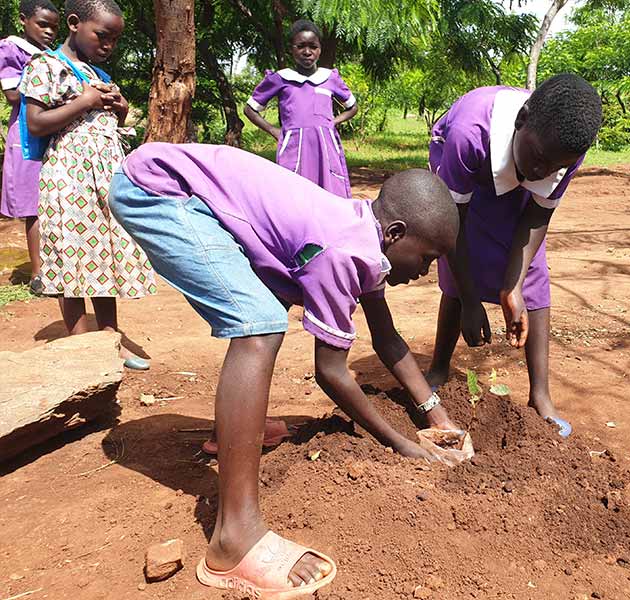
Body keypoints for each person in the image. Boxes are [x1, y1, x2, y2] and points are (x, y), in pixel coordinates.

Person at [109, 142, 461, 596]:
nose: (426, 271)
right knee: (260, 324)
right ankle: (234, 538)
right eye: (428, 258)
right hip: (159, 191)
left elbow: (386, 337)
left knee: (266, 306)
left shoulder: (364, 233)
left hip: (184, 187)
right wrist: (400, 443)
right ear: (395, 233)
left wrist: (435, 414)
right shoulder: (343, 251)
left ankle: (233, 433)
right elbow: (330, 371)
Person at [424, 74, 602, 438]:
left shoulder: (563, 149)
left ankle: (541, 396)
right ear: (522, 120)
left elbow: (538, 215)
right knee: (463, 257)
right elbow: (453, 225)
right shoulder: (469, 133)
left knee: (533, 272)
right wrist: (470, 301)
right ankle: (439, 369)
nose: (541, 172)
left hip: (512, 161)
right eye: (539, 159)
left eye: (554, 167)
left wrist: (513, 286)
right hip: (466, 174)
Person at [19, 0, 156, 369]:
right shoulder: (44, 66)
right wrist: (86, 100)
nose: (108, 45)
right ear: (74, 23)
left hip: (104, 174)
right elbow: (36, 123)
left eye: (115, 40)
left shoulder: (97, 73)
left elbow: (111, 125)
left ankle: (111, 340)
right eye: (102, 36)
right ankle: (81, 345)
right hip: (69, 176)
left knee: (102, 255)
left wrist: (120, 108)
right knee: (71, 254)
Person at [244, 19, 357, 198]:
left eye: (313, 46)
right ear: (292, 49)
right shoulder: (281, 78)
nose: (307, 52)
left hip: (325, 146)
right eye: (300, 46)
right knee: (294, 194)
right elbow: (250, 109)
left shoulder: (329, 78)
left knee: (329, 193)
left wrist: (332, 123)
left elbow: (352, 107)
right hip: (294, 146)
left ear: (320, 49)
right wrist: (274, 130)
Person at [0, 0, 59, 295]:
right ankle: (38, 274)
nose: (49, 32)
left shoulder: (51, 54)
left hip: (51, 129)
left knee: (52, 200)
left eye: (54, 28)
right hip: (26, 133)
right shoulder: (12, 49)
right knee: (33, 205)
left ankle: (56, 268)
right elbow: (12, 95)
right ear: (24, 20)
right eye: (43, 25)